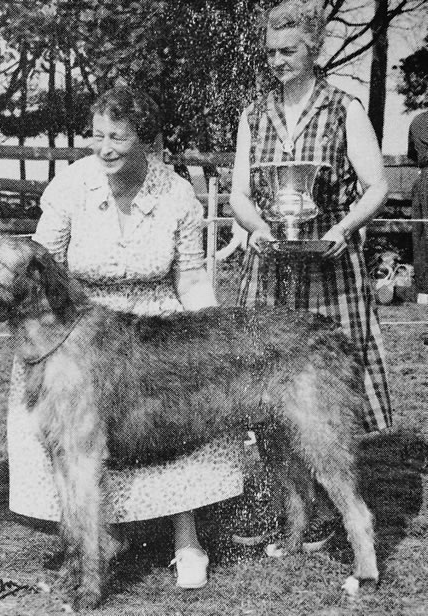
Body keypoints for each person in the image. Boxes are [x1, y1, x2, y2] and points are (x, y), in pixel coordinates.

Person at [8, 85, 244, 589]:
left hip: (154, 322)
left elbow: (192, 277)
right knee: (79, 446)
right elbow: (39, 267)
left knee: (175, 428)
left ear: (145, 141)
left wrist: (211, 342)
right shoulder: (71, 186)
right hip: (78, 329)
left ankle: (187, 541)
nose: (105, 148)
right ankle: (88, 547)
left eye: (118, 137)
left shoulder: (176, 191)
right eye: (97, 136)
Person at [229, 0, 393, 546]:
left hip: (328, 268)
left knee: (323, 404)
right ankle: (286, 509)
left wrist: (343, 228)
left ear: (314, 49)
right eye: (271, 52)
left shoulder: (343, 107)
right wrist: (255, 228)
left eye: (289, 50)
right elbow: (240, 195)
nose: (277, 61)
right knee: (263, 395)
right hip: (271, 272)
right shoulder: (252, 113)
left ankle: (330, 510)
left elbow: (376, 186)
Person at [408, 110, 428, 301]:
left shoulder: (418, 120)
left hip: (424, 179)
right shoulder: (420, 120)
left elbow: (412, 155)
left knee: (422, 233)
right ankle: (424, 290)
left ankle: (424, 291)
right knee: (421, 233)